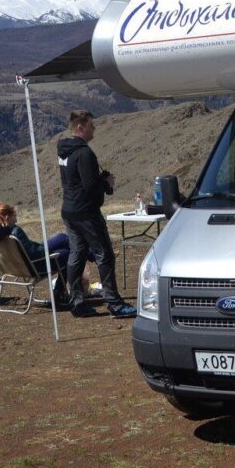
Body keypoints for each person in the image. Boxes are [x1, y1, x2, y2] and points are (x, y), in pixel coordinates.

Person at [58, 110, 137, 318]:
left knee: (77, 254)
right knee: (105, 255)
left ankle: (76, 302)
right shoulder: (84, 153)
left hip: (69, 210)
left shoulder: (65, 151)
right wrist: (106, 183)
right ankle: (115, 304)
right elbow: (91, 187)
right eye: (91, 126)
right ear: (80, 128)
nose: (94, 129)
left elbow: (76, 180)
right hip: (86, 212)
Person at [0, 198, 71, 306]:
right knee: (67, 250)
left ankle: (60, 292)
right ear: (7, 217)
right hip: (34, 267)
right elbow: (36, 254)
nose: (16, 220)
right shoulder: (15, 231)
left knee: (62, 238)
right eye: (14, 216)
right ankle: (59, 292)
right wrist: (48, 248)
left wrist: (41, 245)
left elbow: (29, 251)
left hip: (14, 267)